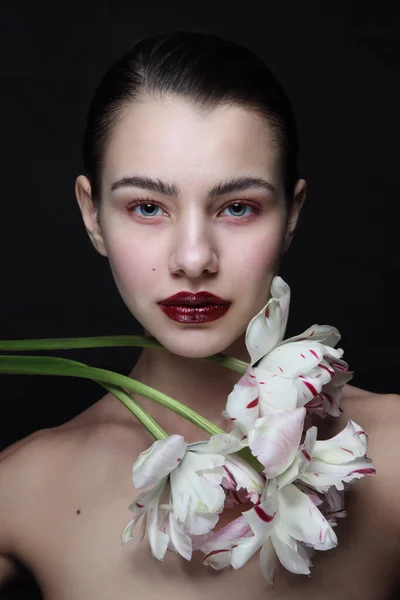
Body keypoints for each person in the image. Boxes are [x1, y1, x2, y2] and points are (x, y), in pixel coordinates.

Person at [0, 29, 399, 600]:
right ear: (93, 217)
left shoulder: (391, 453)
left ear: (291, 215)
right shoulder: (22, 490)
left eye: (238, 207)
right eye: (146, 207)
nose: (193, 258)